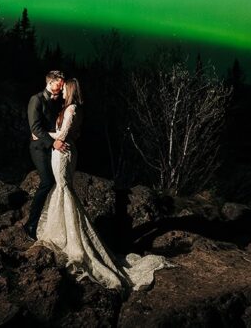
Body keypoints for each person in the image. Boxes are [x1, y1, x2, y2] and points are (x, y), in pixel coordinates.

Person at [34, 78, 171, 292]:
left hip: (62, 154)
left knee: (63, 189)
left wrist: (41, 134)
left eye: (63, 89)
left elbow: (62, 135)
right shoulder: (73, 108)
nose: (59, 92)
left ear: (69, 91)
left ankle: (71, 239)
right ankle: (66, 233)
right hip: (67, 152)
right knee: (64, 189)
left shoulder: (71, 109)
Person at [23, 70, 67, 239]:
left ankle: (50, 223)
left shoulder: (59, 101)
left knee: (57, 182)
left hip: (52, 147)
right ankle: (31, 224)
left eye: (62, 83)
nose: (62, 86)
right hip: (39, 147)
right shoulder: (36, 99)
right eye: (59, 83)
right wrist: (52, 142)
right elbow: (34, 127)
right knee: (47, 182)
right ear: (50, 82)